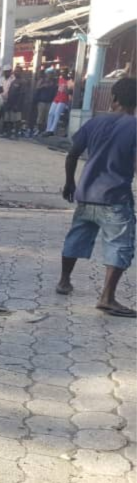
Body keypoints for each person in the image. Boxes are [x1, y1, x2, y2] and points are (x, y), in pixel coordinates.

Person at [57, 78, 137, 318]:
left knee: (76, 237)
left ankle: (64, 281)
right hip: (115, 198)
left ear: (114, 99)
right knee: (120, 245)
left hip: (86, 194)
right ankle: (107, 297)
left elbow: (72, 155)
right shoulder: (134, 127)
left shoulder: (95, 122)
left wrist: (70, 182)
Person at [1, 65, 25, 138]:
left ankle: (16, 134)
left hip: (17, 104)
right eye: (15, 71)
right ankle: (9, 133)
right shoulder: (13, 81)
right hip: (10, 103)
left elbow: (22, 94)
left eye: (17, 71)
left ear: (21, 72)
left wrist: (17, 105)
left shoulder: (22, 82)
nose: (15, 72)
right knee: (9, 119)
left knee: (17, 120)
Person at [46, 72, 72, 136]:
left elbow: (69, 92)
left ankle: (52, 130)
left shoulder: (69, 81)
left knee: (57, 113)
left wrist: (65, 89)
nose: (63, 74)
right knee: (51, 113)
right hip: (57, 97)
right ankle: (48, 129)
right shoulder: (60, 79)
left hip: (63, 98)